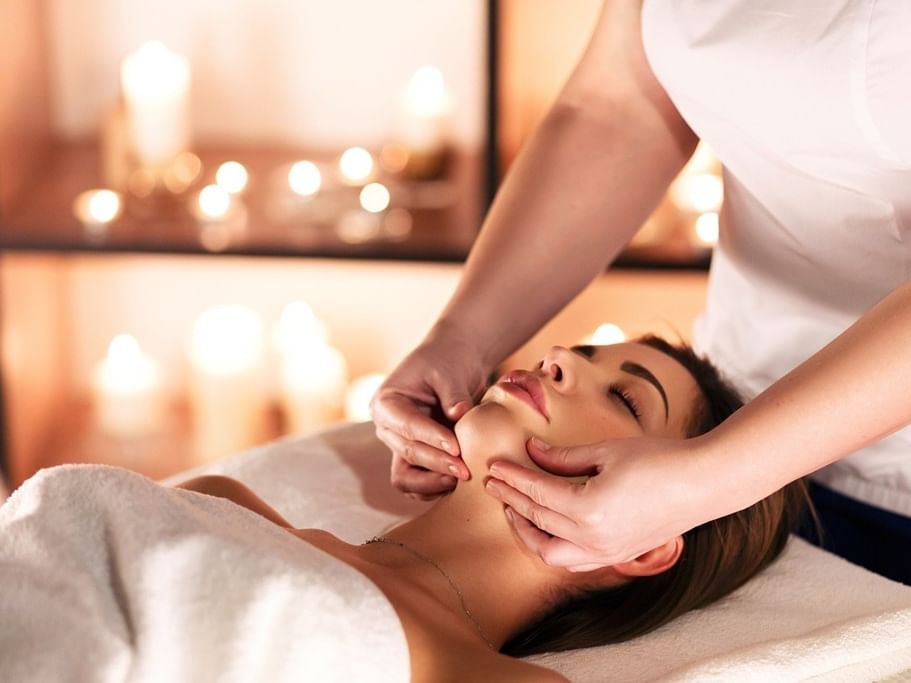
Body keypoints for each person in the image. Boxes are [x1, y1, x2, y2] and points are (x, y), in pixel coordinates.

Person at [370, 0, 911, 583]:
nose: (555, 356)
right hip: (736, 411)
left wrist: (709, 479)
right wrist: (462, 338)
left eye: (625, 398)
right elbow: (620, 105)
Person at [181, 338, 808, 679]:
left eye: (624, 398)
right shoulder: (221, 501)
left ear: (645, 545)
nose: (559, 356)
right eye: (584, 351)